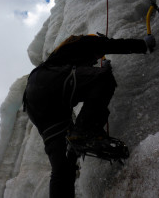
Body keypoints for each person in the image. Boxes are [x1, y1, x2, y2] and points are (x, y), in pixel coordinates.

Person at [23, 34, 156, 198]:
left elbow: (81, 78)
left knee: (64, 166)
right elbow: (112, 45)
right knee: (103, 79)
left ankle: (81, 136)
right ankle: (84, 131)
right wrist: (143, 45)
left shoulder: (63, 53)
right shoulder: (86, 41)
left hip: (36, 104)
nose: (95, 60)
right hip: (47, 84)